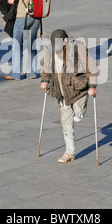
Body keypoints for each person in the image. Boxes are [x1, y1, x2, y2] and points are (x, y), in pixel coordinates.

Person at [40, 29, 99, 163]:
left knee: (78, 112)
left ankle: (80, 112)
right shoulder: (50, 50)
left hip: (79, 90)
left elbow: (93, 69)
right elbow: (46, 69)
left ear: (66, 41)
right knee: (66, 123)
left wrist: (92, 87)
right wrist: (44, 80)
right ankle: (69, 152)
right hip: (61, 92)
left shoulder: (78, 48)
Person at [2, 0, 41, 81]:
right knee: (30, 45)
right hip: (35, 17)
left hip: (22, 18)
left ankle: (15, 73)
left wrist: (9, 0)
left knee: (17, 45)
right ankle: (31, 72)